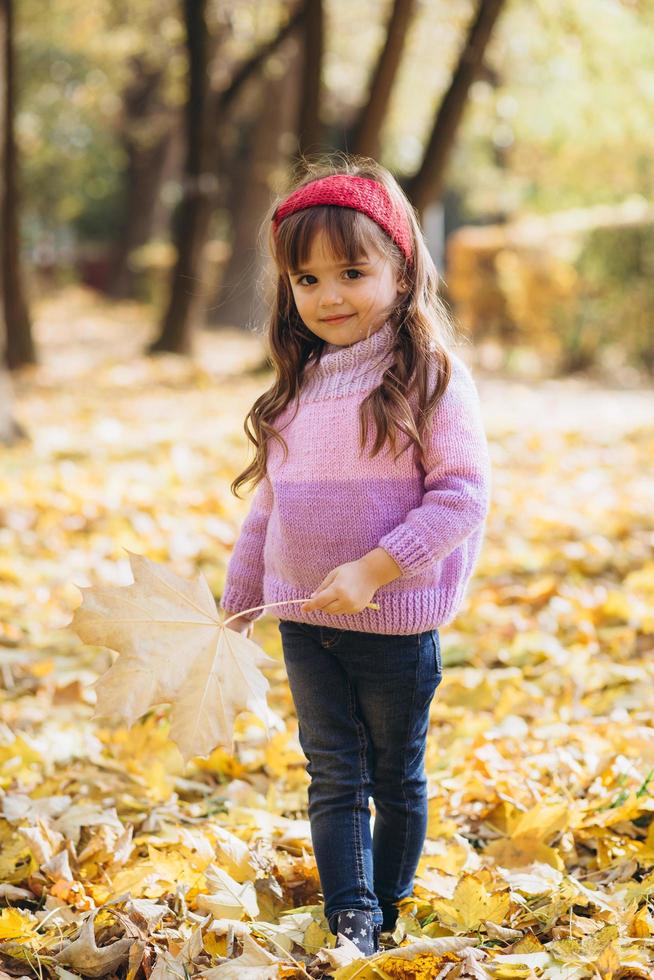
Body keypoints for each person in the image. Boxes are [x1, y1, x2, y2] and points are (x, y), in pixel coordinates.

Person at [220, 154, 492, 957]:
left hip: (395, 621)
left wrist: (377, 568)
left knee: (394, 776)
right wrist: (237, 603)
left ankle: (393, 903)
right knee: (334, 773)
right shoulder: (295, 392)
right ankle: (354, 917)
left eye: (350, 271)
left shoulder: (432, 377)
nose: (329, 296)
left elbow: (463, 494)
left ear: (401, 274)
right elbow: (265, 511)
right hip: (303, 618)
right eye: (306, 281)